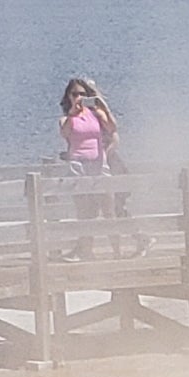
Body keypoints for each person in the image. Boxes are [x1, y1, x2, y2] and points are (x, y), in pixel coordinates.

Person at [57, 76, 130, 256]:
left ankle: (117, 251)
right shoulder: (66, 118)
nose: (79, 98)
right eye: (74, 94)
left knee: (108, 209)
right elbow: (64, 132)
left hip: (98, 163)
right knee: (84, 211)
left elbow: (112, 128)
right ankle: (86, 252)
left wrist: (101, 104)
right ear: (68, 96)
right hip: (78, 165)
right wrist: (74, 112)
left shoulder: (96, 114)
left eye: (83, 94)